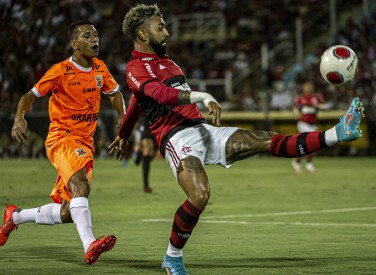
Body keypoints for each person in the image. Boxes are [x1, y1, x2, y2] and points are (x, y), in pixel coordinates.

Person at [108, 4, 365, 274]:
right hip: (175, 137)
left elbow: (138, 101)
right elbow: (157, 95)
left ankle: (338, 133)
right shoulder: (135, 67)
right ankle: (172, 258)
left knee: (267, 140)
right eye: (160, 27)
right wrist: (201, 96)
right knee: (199, 195)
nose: (167, 31)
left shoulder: (168, 62)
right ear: (142, 34)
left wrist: (123, 134)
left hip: (202, 129)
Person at [1, 20, 124, 265]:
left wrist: (123, 118)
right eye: (87, 36)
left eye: (96, 35)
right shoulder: (60, 71)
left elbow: (116, 93)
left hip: (84, 143)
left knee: (69, 212)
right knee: (82, 187)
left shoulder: (100, 68)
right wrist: (18, 118)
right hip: (62, 138)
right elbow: (29, 96)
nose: (95, 40)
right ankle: (90, 245)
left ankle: (14, 217)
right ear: (74, 43)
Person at [291, 81, 326, 173]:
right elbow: (294, 108)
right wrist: (295, 112)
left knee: (312, 145)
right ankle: (303, 163)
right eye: (306, 88)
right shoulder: (300, 98)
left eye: (309, 88)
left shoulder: (316, 97)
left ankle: (303, 162)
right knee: (306, 143)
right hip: (303, 123)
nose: (308, 89)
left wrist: (317, 106)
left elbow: (324, 106)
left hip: (313, 124)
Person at [132, 115, 157, 192]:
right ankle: (146, 186)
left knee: (149, 156)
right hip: (149, 127)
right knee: (147, 154)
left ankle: (140, 153)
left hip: (154, 127)